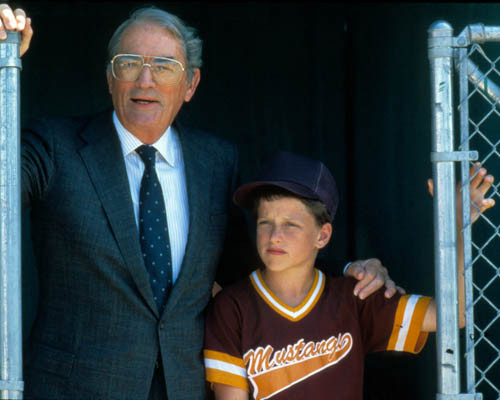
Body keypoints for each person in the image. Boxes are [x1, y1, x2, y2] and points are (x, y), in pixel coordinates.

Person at [0, 4, 402, 400]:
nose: (145, 80)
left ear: (190, 84)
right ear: (109, 77)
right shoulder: (55, 146)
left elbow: (252, 265)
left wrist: (349, 270)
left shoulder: (216, 161)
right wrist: (3, 66)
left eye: (164, 66)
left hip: (185, 388)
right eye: (129, 63)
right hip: (76, 389)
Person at [203, 151, 495, 400]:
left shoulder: (353, 296)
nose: (275, 235)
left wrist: (456, 227)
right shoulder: (232, 307)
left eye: (291, 224)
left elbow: (453, 315)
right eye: (265, 222)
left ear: (322, 235)